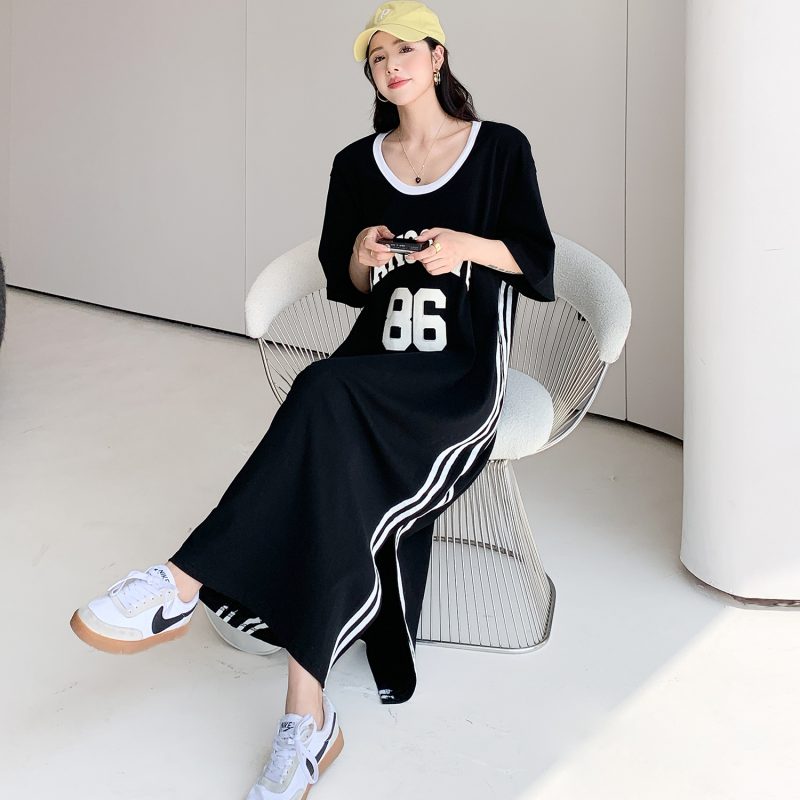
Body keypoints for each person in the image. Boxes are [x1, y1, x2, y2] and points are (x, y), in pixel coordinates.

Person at [68, 1, 556, 797]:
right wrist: (364, 252)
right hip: (373, 362)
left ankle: (182, 580)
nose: (390, 67)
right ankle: (308, 719)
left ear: (438, 57)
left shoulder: (499, 148)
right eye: (376, 58)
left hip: (457, 375)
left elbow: (536, 263)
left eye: (404, 51)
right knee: (332, 459)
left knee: (319, 388)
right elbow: (348, 284)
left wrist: (463, 246)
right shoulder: (357, 164)